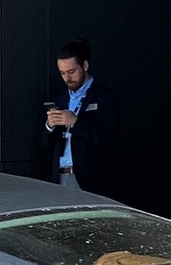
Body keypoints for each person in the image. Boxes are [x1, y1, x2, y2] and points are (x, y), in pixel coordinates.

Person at [40, 40, 121, 197]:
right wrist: (50, 125)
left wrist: (76, 123)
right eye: (62, 73)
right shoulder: (61, 100)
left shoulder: (105, 97)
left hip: (89, 179)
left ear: (85, 66)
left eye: (71, 72)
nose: (67, 78)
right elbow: (44, 147)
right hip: (59, 178)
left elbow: (109, 140)